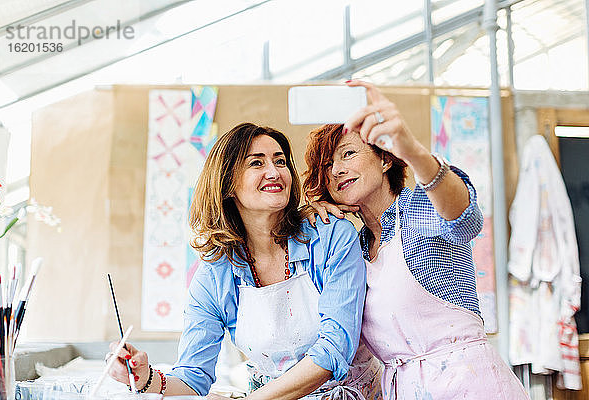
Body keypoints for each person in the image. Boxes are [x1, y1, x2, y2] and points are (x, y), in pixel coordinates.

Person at [107, 123, 383, 399]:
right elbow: (192, 378)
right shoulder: (215, 274)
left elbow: (334, 349)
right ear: (227, 183)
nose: (274, 172)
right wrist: (146, 379)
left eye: (280, 161)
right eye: (256, 163)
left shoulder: (330, 235)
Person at [303, 80, 529, 399]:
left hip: (471, 385)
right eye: (326, 166)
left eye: (348, 154)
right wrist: (305, 218)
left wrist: (409, 148)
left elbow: (466, 220)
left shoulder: (417, 207)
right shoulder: (352, 247)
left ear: (385, 159)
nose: (336, 170)